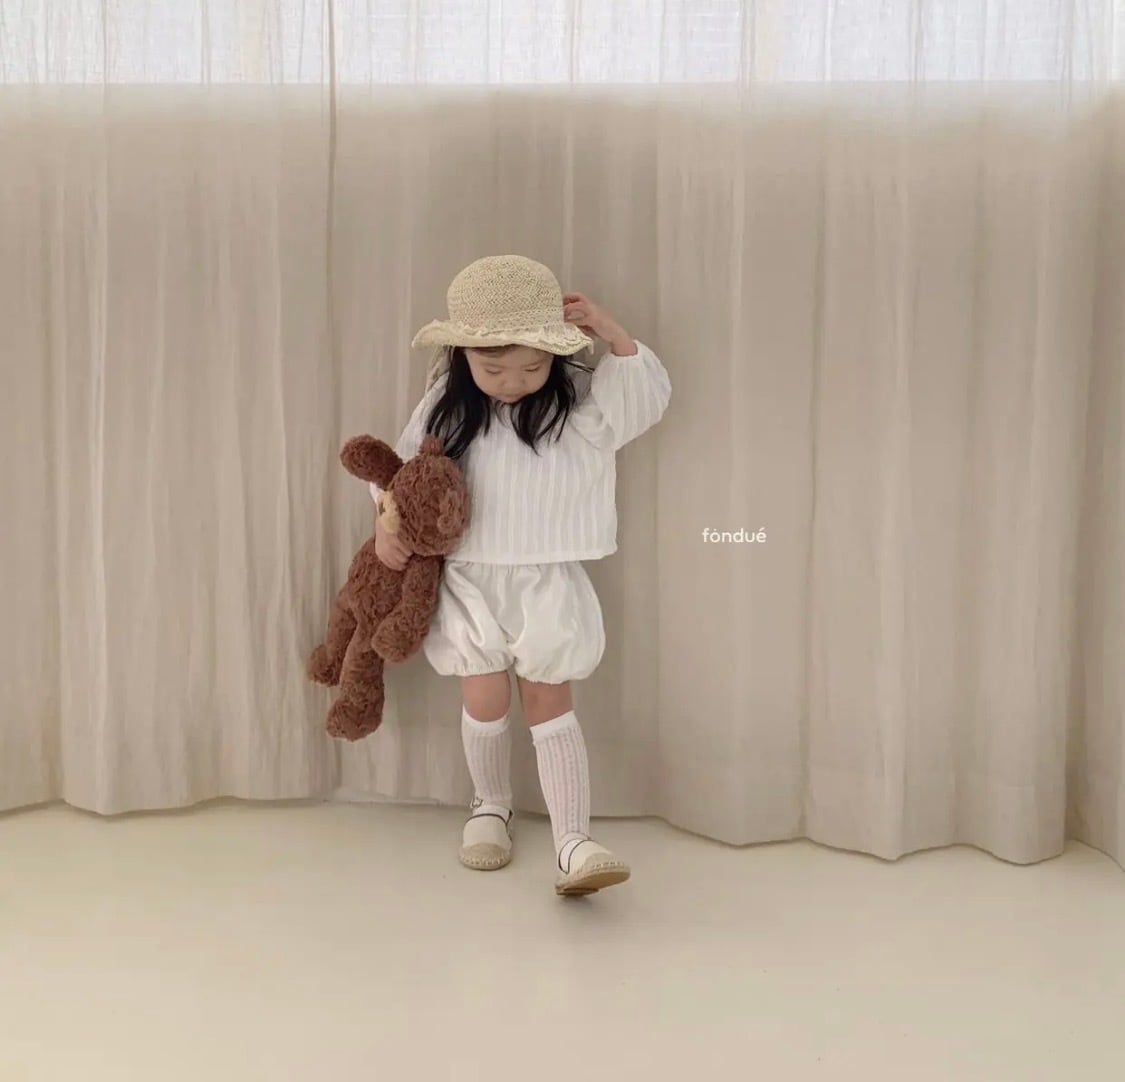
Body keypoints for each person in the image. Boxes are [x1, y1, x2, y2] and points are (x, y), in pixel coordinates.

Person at [370, 255, 671, 896]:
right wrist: (386, 525)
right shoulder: (445, 407)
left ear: (554, 358)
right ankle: (491, 805)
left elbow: (641, 404)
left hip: (546, 576)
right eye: (495, 369)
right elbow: (403, 473)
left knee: (548, 699)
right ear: (464, 358)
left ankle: (573, 841)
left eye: (533, 368)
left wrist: (611, 332)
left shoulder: (578, 400)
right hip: (469, 575)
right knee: (483, 697)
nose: (514, 383)